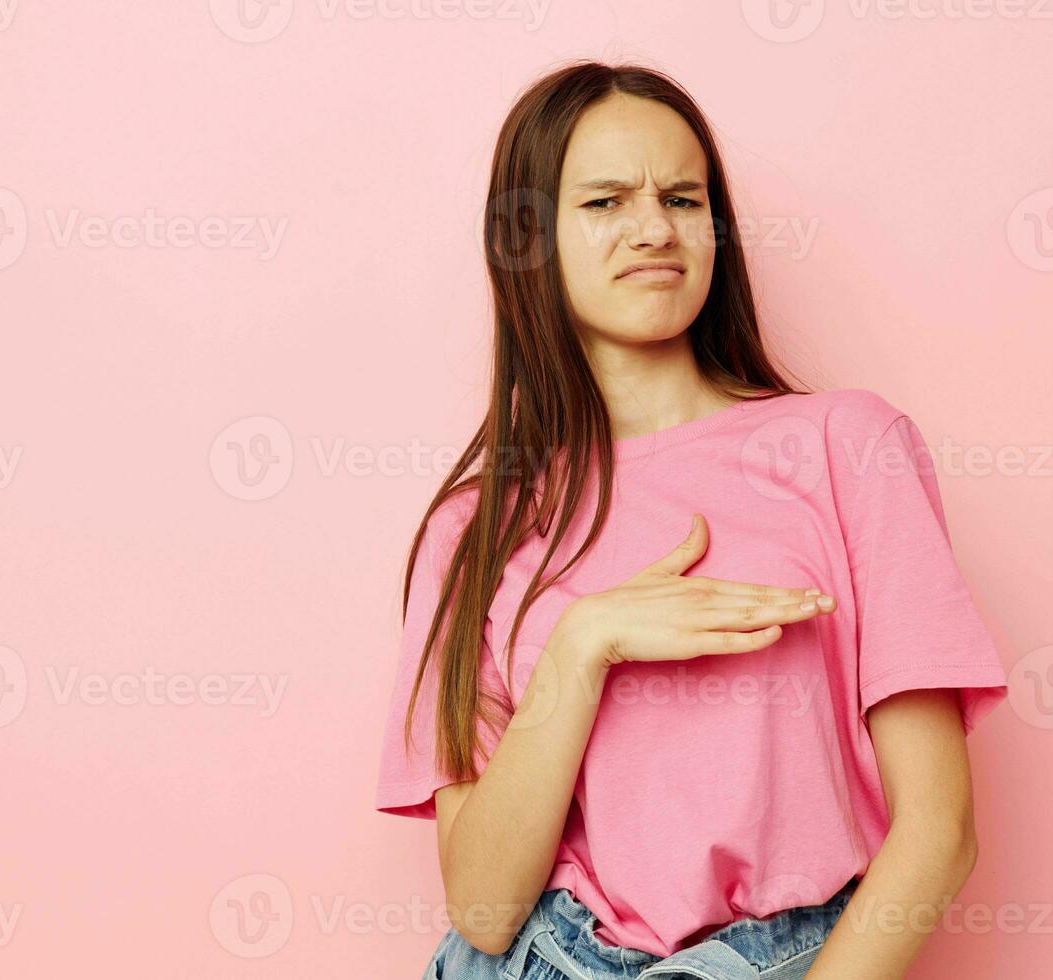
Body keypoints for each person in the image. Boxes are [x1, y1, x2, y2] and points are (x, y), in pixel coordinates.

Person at [374, 59, 1009, 980]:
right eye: (603, 203)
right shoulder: (475, 530)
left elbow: (939, 833)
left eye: (681, 196)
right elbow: (481, 904)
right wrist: (583, 643)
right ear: (530, 241)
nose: (654, 229)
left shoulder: (847, 446)